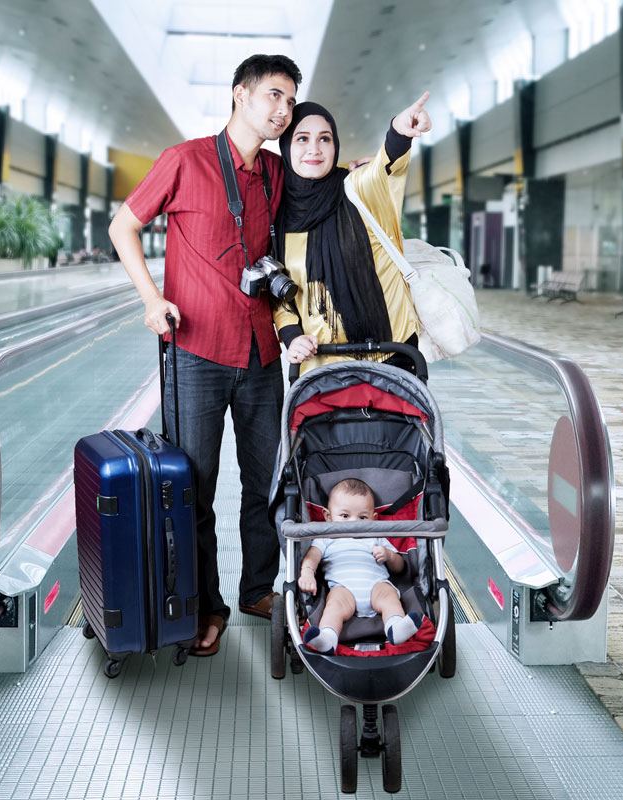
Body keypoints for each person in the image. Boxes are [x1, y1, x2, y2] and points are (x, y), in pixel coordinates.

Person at [108, 53, 302, 657]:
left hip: (262, 353)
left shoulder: (276, 173)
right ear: (240, 94)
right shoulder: (184, 160)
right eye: (274, 96)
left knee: (266, 482)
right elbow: (123, 226)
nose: (283, 110)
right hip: (193, 351)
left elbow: (330, 182)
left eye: (291, 101)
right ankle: (204, 605)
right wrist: (150, 297)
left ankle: (258, 589)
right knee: (191, 486)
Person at [273, 93, 433, 375]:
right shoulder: (278, 216)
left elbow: (385, 168)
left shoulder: (356, 189)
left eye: (325, 138)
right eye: (302, 139)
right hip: (319, 366)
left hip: (391, 354)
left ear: (335, 145)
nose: (315, 149)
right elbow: (279, 292)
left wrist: (398, 131)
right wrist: (292, 337)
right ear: (286, 146)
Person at [296, 478, 423, 654]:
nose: (353, 522)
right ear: (328, 516)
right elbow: (312, 556)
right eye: (345, 516)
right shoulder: (326, 537)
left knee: (389, 597)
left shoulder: (377, 535)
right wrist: (307, 572)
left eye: (362, 517)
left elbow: (399, 568)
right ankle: (328, 638)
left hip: (377, 586)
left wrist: (389, 556)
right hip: (343, 590)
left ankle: (396, 627)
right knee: (333, 606)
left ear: (374, 518)